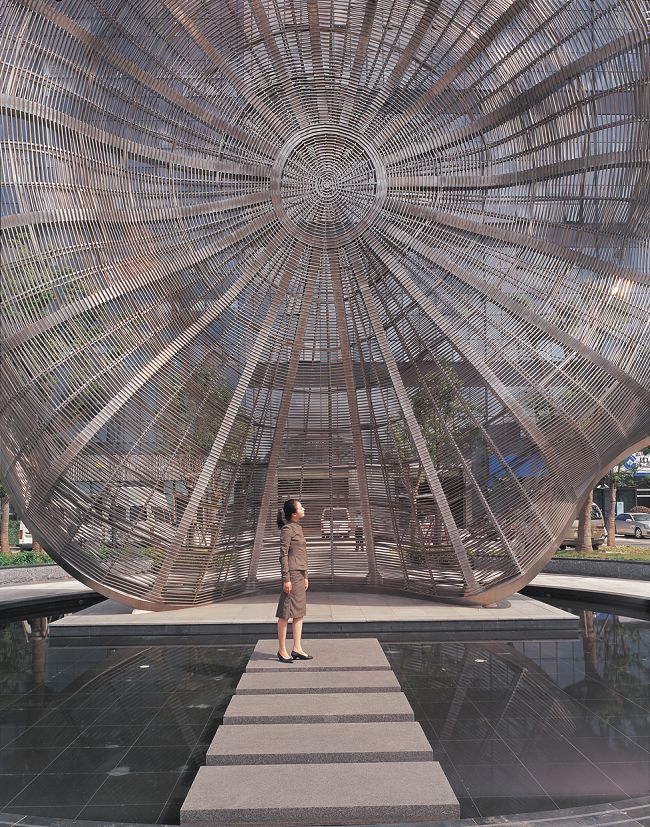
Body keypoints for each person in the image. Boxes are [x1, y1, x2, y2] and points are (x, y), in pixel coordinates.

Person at [275, 498, 312, 663]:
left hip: (299, 575)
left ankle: (297, 648)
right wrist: (286, 578)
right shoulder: (287, 529)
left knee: (299, 613)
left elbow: (302, 554)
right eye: (301, 507)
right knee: (285, 613)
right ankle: (282, 650)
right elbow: (283, 555)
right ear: (294, 513)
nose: (304, 508)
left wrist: (306, 576)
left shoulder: (298, 527)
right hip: (291, 575)